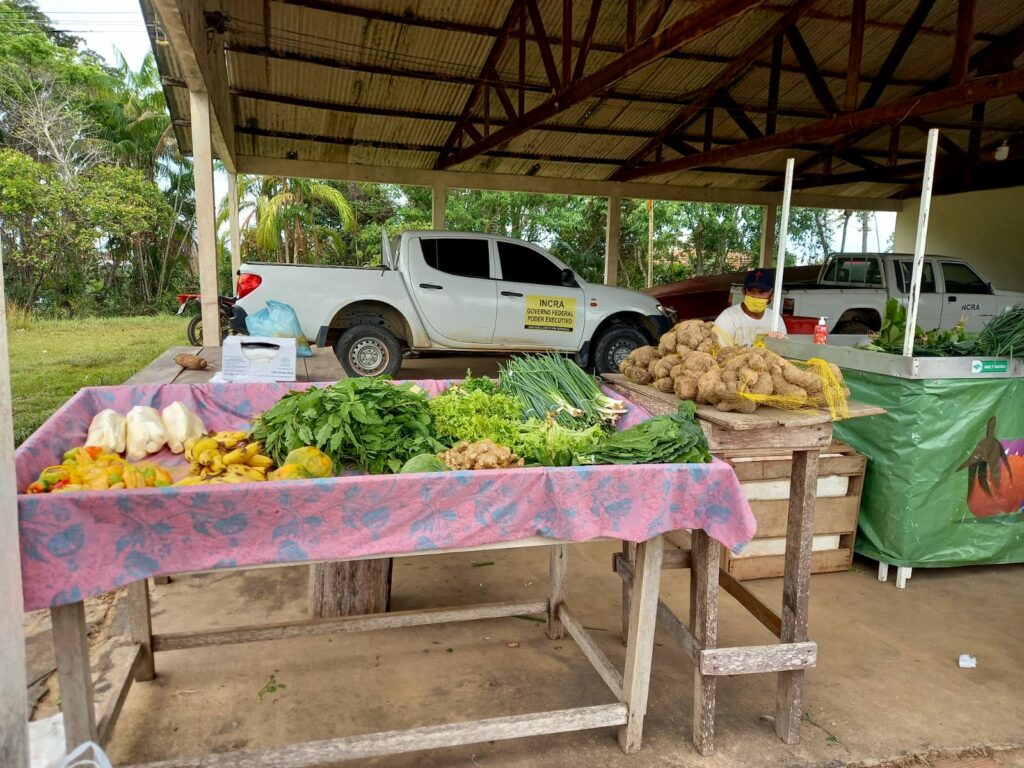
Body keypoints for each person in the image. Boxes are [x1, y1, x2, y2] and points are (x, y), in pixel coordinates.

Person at [712, 268, 787, 348]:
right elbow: (721, 354)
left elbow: (783, 351)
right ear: (744, 292)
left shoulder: (776, 320)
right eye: (752, 291)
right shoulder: (727, 319)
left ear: (772, 295)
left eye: (761, 292)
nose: (756, 296)